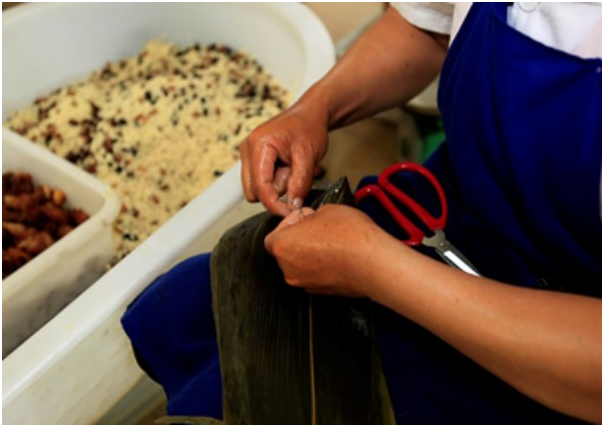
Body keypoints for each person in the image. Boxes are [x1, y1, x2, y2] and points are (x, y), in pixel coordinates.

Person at [122, 2, 601, 424]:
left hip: (558, 348)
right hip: (449, 221)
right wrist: (315, 109)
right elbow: (428, 27)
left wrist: (375, 267)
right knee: (193, 314)